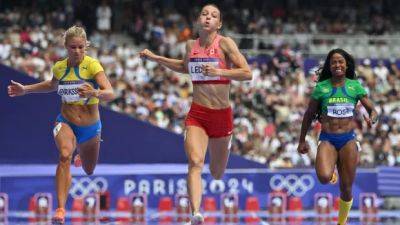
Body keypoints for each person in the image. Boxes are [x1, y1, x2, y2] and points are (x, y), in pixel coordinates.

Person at [140, 4, 252, 225]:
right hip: (198, 114)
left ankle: (225, 146)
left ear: (218, 24)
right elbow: (184, 67)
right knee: (194, 162)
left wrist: (220, 71)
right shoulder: (190, 45)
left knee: (217, 172)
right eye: (204, 14)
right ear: (198, 21)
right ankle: (196, 214)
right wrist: (156, 58)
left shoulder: (226, 43)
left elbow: (247, 73)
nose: (208, 18)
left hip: (221, 116)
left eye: (213, 16)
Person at [7, 25, 115, 224]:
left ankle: (81, 154)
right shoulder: (59, 67)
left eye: (81, 47)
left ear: (86, 46)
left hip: (91, 128)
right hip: (65, 121)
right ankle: (60, 210)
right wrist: (25, 90)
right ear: (66, 47)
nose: (77, 51)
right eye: (73, 47)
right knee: (64, 154)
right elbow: (51, 85)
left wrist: (94, 93)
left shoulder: (93, 66)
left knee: (89, 170)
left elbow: (111, 93)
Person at [297, 48, 378, 225]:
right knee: (324, 177)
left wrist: (372, 118)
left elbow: (372, 109)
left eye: (340, 61)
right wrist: (302, 140)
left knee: (346, 188)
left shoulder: (354, 86)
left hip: (348, 139)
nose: (337, 64)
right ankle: (332, 171)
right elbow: (309, 114)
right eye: (333, 62)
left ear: (346, 64)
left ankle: (341, 223)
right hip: (327, 138)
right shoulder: (321, 87)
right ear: (329, 66)